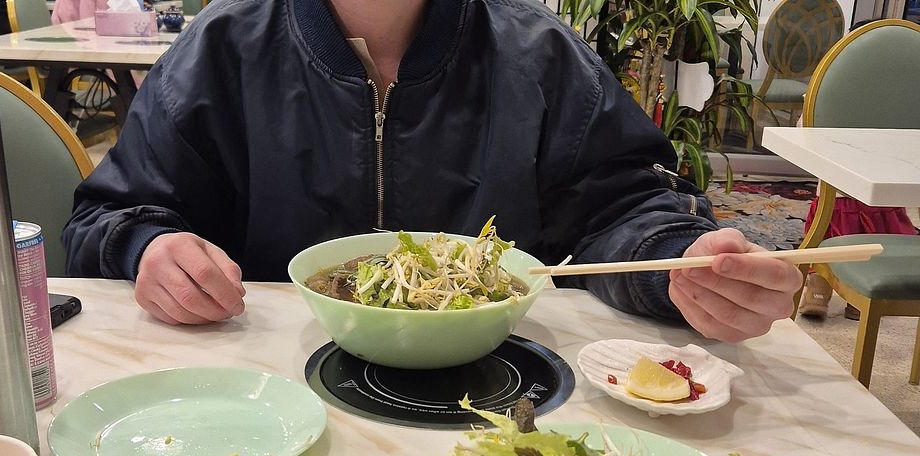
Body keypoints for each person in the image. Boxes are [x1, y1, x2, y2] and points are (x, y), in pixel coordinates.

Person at [63, 0, 802, 343]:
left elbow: (624, 207)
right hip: (269, 395)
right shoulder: (221, 49)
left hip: (498, 406)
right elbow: (108, 215)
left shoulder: (537, 54)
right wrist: (149, 250)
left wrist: (683, 265)